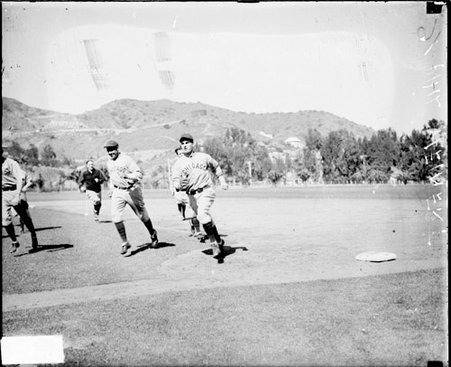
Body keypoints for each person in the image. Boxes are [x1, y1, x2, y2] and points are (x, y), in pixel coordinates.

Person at [171, 133, 228, 258]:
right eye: (182, 143)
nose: (184, 145)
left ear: (193, 144)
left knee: (202, 215)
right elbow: (175, 182)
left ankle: (213, 243)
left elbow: (216, 166)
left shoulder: (203, 157)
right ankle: (219, 240)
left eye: (187, 143)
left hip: (206, 190)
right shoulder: (178, 164)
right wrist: (180, 184)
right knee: (205, 218)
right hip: (191, 195)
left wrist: (222, 180)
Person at [103, 140, 158, 256]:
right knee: (115, 217)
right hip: (118, 191)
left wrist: (128, 176)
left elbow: (139, 174)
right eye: (108, 150)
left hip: (131, 190)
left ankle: (152, 233)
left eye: (112, 149)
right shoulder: (109, 163)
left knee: (143, 216)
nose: (110, 152)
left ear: (117, 148)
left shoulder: (126, 159)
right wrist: (112, 188)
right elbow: (112, 178)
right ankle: (125, 242)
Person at [2, 146, 39, 253]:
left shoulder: (11, 163)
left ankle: (33, 234)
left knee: (25, 217)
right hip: (3, 194)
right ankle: (14, 241)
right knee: (5, 221)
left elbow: (20, 179)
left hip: (15, 192)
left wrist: (18, 195)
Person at [169, 147, 203, 238]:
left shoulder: (190, 163)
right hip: (179, 192)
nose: (181, 155)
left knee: (193, 210)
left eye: (182, 153)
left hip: (189, 191)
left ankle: (198, 231)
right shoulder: (176, 166)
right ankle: (192, 228)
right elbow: (172, 179)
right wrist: (172, 189)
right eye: (179, 154)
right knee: (187, 210)